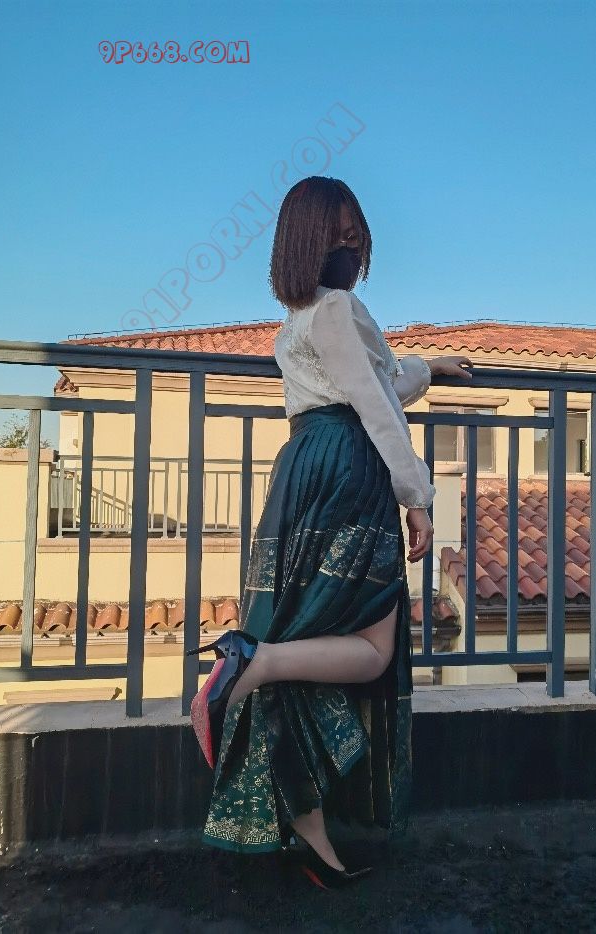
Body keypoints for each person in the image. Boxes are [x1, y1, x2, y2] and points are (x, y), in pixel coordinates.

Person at [191, 176, 472, 888]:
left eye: (355, 233)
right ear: (307, 242)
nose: (351, 245)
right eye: (339, 233)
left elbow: (377, 382)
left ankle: (314, 843)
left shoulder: (297, 321)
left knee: (299, 639)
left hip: (305, 470)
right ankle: (253, 662)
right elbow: (374, 404)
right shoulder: (340, 308)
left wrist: (428, 368)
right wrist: (417, 498)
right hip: (350, 467)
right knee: (372, 651)